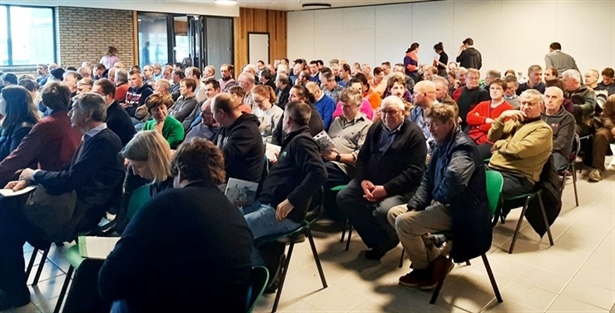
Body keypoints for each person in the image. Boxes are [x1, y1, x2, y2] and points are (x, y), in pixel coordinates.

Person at [0, 93, 124, 311]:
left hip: (83, 212)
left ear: (86, 114)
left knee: (7, 224)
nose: (69, 114)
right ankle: (11, 284)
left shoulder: (103, 141)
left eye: (73, 109)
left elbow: (70, 180)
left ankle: (15, 290)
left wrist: (34, 175)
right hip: (74, 201)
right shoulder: (92, 136)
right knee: (7, 213)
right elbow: (68, 172)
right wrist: (29, 179)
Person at [99, 139, 253, 313]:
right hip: (227, 306)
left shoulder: (167, 202)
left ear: (178, 172)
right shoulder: (235, 213)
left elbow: (108, 281)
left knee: (118, 298)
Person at [388, 103, 491, 290]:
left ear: (450, 123)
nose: (430, 129)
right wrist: (417, 204)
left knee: (404, 223)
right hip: (445, 204)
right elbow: (428, 178)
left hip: (461, 210)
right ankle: (437, 260)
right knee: (394, 213)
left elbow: (455, 180)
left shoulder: (462, 147)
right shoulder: (442, 144)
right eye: (428, 124)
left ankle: (422, 269)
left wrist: (434, 200)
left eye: (435, 124)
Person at [337, 96, 427, 260]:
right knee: (344, 197)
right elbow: (363, 157)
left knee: (383, 211)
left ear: (402, 113)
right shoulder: (376, 127)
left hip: (400, 187)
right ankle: (379, 240)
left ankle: (389, 237)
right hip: (371, 181)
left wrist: (385, 189)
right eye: (383, 111)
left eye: (392, 112)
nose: (386, 116)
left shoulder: (414, 134)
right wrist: (363, 180)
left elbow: (414, 172)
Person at [242, 100, 327, 268]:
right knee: (230, 218)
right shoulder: (294, 140)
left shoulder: (302, 142)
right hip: (269, 202)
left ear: (287, 120)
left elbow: (319, 173)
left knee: (237, 231)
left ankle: (261, 273)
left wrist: (292, 201)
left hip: (283, 212)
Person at [0, 82, 81, 186]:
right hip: (65, 178)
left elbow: (20, 156)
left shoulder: (46, 124)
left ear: (44, 102)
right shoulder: (73, 119)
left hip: (51, 182)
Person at [487, 89, 553, 199]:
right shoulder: (514, 121)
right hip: (494, 169)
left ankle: (479, 215)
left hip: (518, 177)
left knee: (480, 191)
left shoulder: (543, 129)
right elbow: (492, 137)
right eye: (523, 103)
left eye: (531, 104)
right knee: (464, 181)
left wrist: (500, 144)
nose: (526, 107)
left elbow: (520, 151)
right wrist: (502, 117)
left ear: (541, 107)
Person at [211, 93, 264, 183]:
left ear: (221, 113)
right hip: (226, 178)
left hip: (240, 185)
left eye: (213, 113)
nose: (213, 117)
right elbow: (211, 147)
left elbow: (223, 158)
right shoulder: (225, 125)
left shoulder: (246, 130)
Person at [466, 78, 514, 159]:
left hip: (490, 142)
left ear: (504, 91)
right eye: (492, 88)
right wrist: (485, 120)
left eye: (498, 89)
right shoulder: (483, 104)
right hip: (473, 136)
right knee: (457, 151)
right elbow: (469, 117)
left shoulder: (508, 109)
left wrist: (478, 125)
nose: (494, 91)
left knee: (471, 157)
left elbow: (500, 129)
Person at [92, 78, 136, 146]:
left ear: (109, 95)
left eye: (97, 94)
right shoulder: (108, 109)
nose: (93, 97)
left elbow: (106, 141)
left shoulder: (115, 117)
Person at [541, 87, 576, 173]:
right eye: (547, 96)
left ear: (561, 101)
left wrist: (538, 148)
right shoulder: (538, 114)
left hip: (558, 153)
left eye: (554, 97)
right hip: (538, 149)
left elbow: (561, 144)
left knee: (543, 170)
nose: (549, 100)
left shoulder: (567, 118)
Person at [0, 86, 39, 160]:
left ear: (11, 103)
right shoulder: (12, 123)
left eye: (2, 99)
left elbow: (13, 160)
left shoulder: (23, 128)